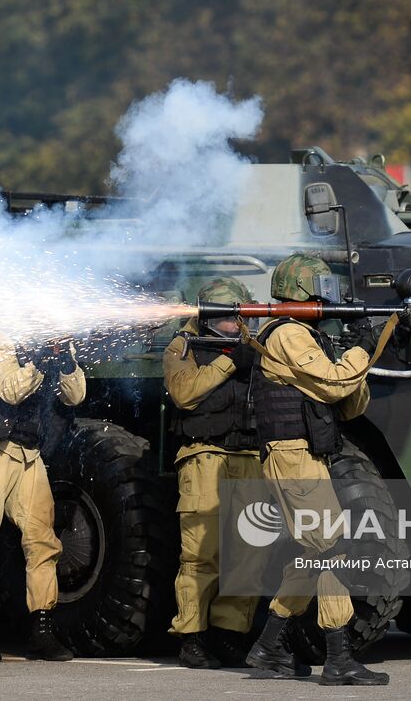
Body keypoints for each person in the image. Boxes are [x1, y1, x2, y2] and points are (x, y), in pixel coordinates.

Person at [244, 253, 389, 687]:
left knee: (313, 556)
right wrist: (363, 346)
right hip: (292, 456)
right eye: (321, 291)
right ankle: (339, 658)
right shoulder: (289, 332)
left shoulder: (306, 334)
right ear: (304, 292)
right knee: (331, 549)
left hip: (304, 454)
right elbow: (332, 381)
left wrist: (358, 352)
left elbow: (348, 402)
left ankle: (269, 647)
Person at [0, 335, 85, 663]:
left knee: (44, 544)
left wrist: (65, 361)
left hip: (28, 452)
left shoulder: (53, 341)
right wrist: (38, 361)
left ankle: (42, 630)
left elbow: (76, 395)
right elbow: (11, 390)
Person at [162, 277, 263, 669]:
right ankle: (193, 637)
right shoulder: (183, 346)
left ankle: (229, 634)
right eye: (225, 318)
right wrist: (229, 361)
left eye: (238, 317)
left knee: (251, 552)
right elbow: (185, 392)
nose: (234, 324)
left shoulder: (253, 346)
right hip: (205, 456)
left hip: (251, 455)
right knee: (201, 554)